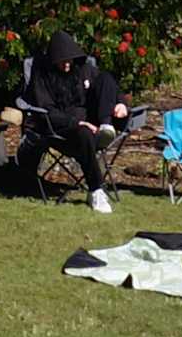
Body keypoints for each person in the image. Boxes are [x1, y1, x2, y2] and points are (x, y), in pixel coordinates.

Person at [9, 29, 132, 213]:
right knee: (85, 135)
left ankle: (106, 125)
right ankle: (96, 190)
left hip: (95, 120)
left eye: (69, 60)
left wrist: (121, 103)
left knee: (106, 77)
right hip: (63, 129)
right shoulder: (42, 76)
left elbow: (108, 87)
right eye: (62, 61)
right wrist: (77, 123)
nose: (67, 64)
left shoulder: (84, 68)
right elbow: (48, 111)